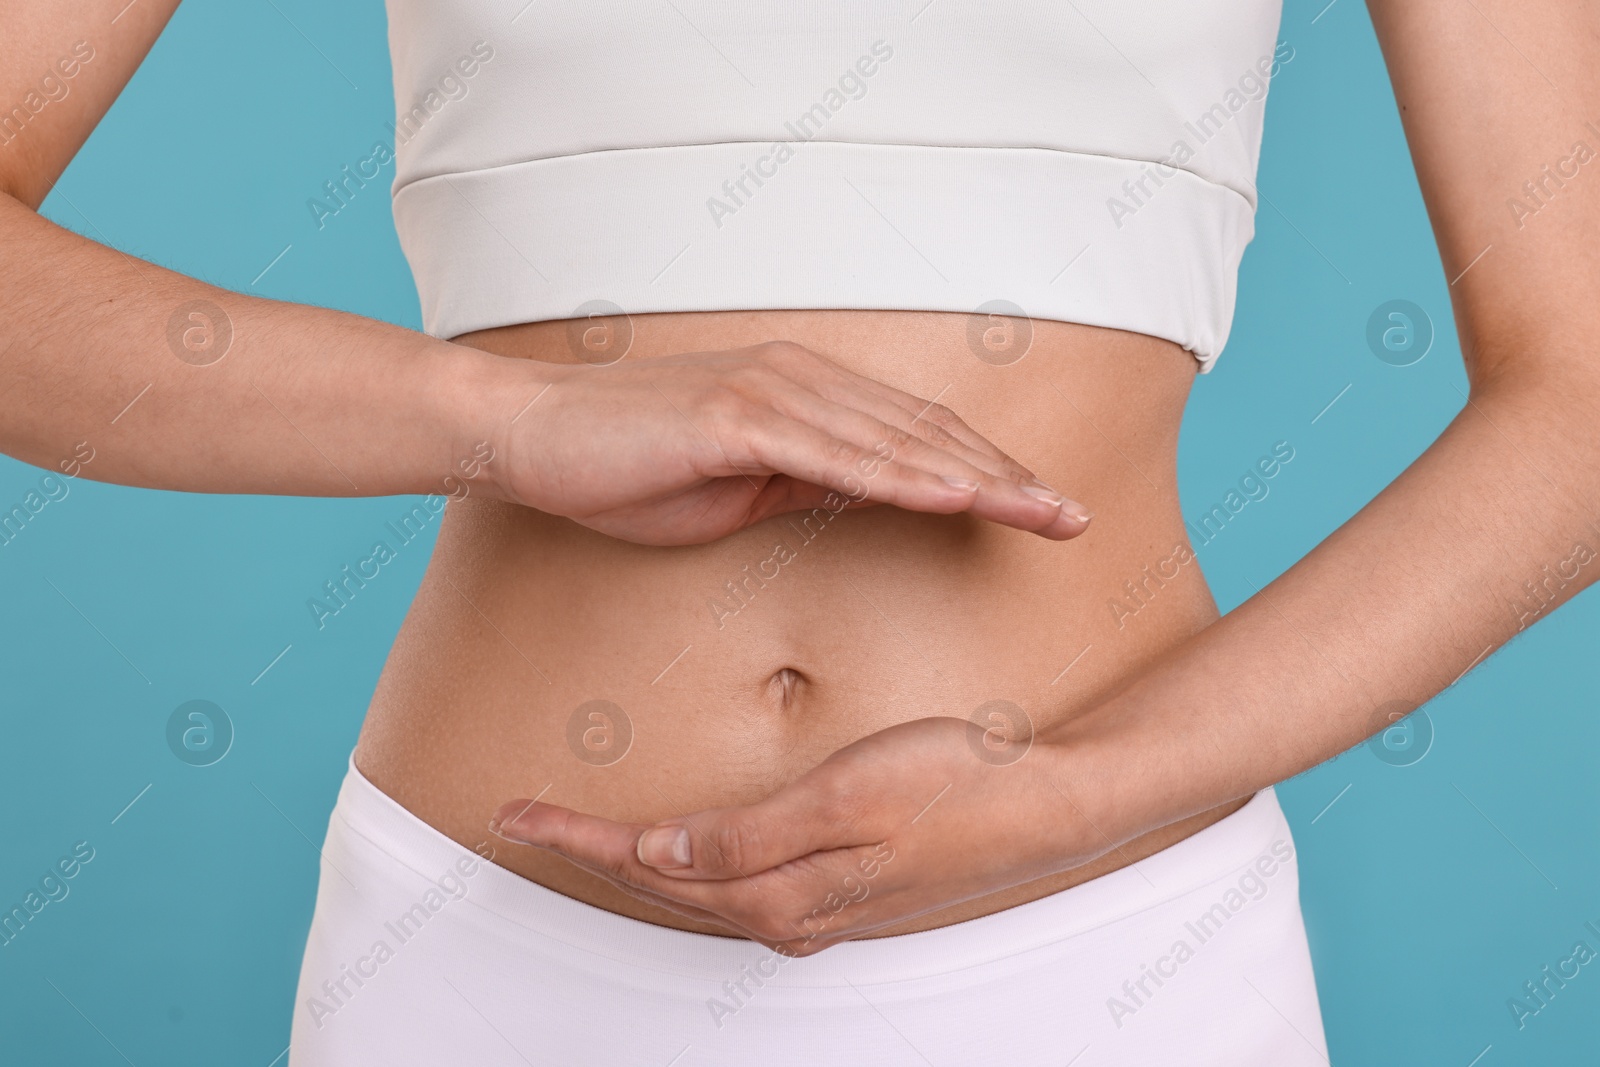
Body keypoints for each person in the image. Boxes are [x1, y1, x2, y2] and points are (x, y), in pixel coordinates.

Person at [3, 1, 1595, 1063]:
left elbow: (1581, 401)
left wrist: (1081, 793)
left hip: (1103, 944)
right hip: (497, 944)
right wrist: (508, 418)